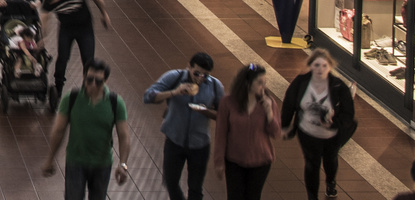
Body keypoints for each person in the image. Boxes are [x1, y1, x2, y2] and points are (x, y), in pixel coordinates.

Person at [42, 59, 132, 200]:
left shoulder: (116, 102)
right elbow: (59, 130)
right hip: (76, 161)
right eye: (89, 79)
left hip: (102, 164)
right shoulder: (71, 98)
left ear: (106, 80)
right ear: (84, 77)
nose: (93, 85)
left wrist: (123, 165)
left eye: (99, 81)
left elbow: (124, 135)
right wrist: (50, 159)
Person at [144, 52, 224, 200]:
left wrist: (206, 112)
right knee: (170, 181)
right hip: (174, 140)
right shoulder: (174, 77)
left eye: (205, 75)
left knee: (195, 188)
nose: (200, 78)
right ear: (189, 66)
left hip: (200, 144)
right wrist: (174, 92)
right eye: (197, 73)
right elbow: (149, 96)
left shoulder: (214, 86)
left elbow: (224, 115)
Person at [279, 49, 357, 200]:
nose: (320, 69)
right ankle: (312, 196)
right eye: (316, 65)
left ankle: (330, 181)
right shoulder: (301, 82)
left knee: (330, 160)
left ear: (330, 67)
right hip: (307, 132)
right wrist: (285, 125)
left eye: (324, 65)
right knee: (311, 164)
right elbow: (289, 103)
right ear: (310, 66)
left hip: (331, 135)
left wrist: (334, 124)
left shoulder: (338, 87)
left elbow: (348, 113)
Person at [211, 63, 281, 200]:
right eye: (259, 82)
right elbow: (221, 134)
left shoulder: (268, 103)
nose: (263, 87)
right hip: (234, 160)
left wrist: (269, 113)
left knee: (253, 196)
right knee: (234, 196)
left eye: (265, 82)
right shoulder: (228, 102)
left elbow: (275, 133)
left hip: (261, 161)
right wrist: (218, 161)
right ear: (247, 83)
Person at [42, 0, 112, 107]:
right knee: (63, 57)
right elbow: (44, 17)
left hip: (85, 29)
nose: (52, 3)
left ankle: (88, 89)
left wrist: (104, 13)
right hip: (66, 30)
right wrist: (43, 37)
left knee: (88, 59)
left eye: (54, 1)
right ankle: (58, 89)